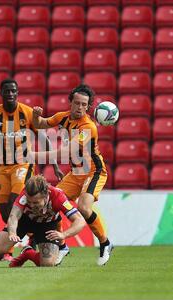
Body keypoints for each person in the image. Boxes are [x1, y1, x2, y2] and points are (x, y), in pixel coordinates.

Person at [0, 79, 64, 261]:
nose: (10, 94)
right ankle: (32, 235)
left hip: (23, 164)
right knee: (5, 213)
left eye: (13, 91)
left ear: (17, 93)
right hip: (2, 167)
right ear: (1, 93)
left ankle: (8, 252)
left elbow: (43, 138)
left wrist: (55, 164)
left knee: (14, 203)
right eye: (7, 91)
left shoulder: (26, 112)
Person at [32, 84, 113, 266]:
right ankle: (62, 246)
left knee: (83, 207)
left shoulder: (88, 127)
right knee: (51, 205)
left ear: (88, 107)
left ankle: (105, 243)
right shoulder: (63, 117)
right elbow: (40, 124)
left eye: (84, 104)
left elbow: (66, 152)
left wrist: (33, 156)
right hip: (76, 173)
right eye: (76, 103)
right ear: (71, 103)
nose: (79, 107)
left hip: (94, 171)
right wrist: (36, 115)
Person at [0, 175, 86, 268]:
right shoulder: (24, 196)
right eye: (29, 201)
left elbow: (80, 221)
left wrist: (63, 235)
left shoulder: (58, 196)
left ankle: (27, 253)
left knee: (48, 264)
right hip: (25, 221)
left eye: (36, 202)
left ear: (46, 195)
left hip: (47, 225)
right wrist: (12, 233)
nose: (32, 205)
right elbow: (13, 216)